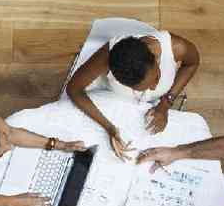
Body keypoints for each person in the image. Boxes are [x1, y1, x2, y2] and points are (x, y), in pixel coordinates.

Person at [65, 27, 200, 159]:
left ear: (155, 57)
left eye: (157, 77)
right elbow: (73, 89)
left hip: (150, 108)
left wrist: (165, 103)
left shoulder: (176, 48)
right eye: (142, 88)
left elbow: (192, 63)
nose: (154, 88)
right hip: (112, 100)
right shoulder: (106, 58)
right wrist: (109, 128)